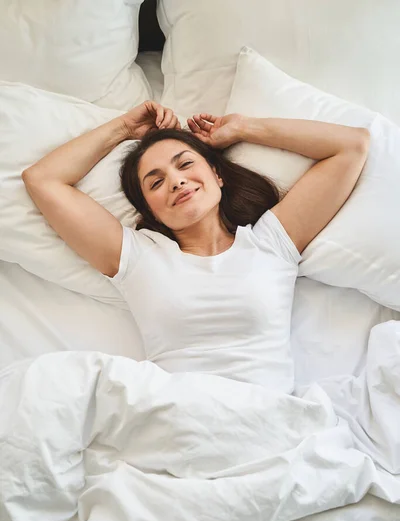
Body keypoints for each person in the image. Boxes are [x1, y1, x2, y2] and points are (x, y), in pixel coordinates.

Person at [22, 101, 370, 390]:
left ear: (217, 174)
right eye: (155, 182)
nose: (176, 182)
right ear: (150, 211)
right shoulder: (137, 257)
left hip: (271, 422)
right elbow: (42, 180)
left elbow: (351, 146)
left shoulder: (271, 242)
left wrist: (243, 129)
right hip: (179, 424)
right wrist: (124, 128)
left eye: (185, 164)